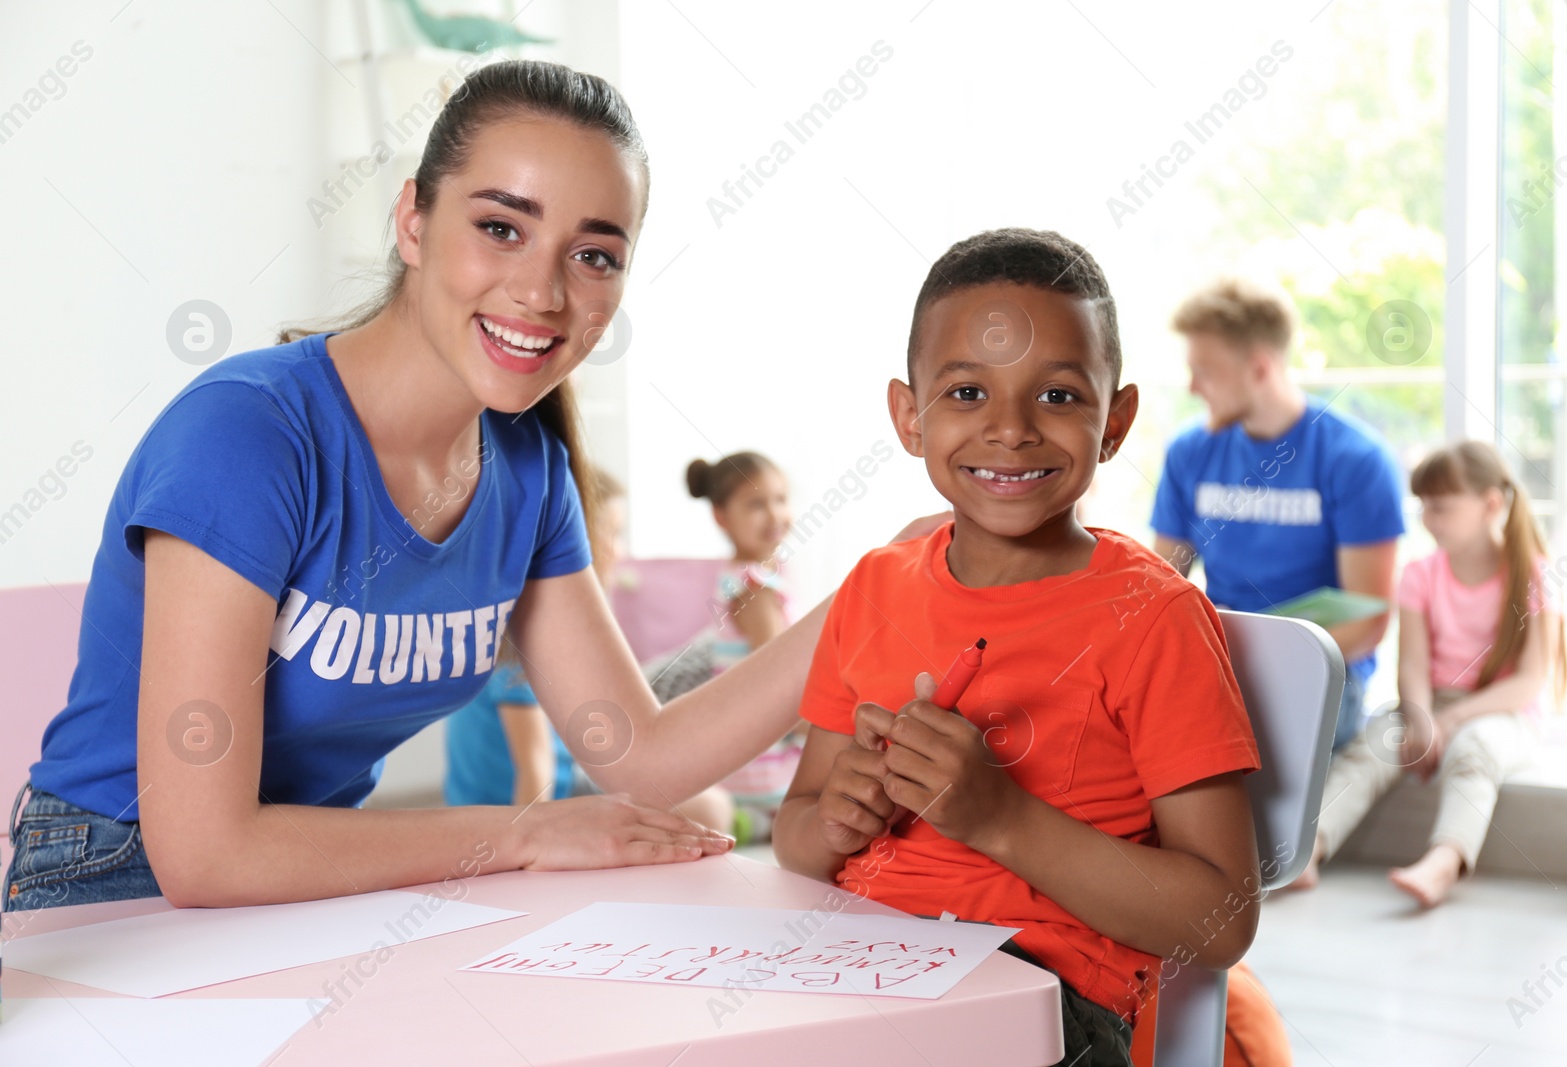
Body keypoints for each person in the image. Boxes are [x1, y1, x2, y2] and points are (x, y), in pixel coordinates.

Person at [3, 59, 937, 913]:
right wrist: (524, 834)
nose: (543, 291)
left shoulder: (527, 469)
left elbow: (640, 754)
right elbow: (204, 857)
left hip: (321, 891)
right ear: (413, 221)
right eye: (500, 228)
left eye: (594, 254)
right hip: (113, 883)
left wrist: (883, 584)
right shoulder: (248, 435)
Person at [773, 229, 1264, 1067]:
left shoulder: (1156, 616)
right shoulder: (874, 586)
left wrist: (999, 817)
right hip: (857, 971)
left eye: (1060, 397)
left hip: (1042, 1004)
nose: (1010, 429)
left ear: (1116, 420)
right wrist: (834, 819)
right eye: (966, 391)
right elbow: (795, 830)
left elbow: (1221, 920)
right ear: (908, 415)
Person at [1293, 442, 1565, 906]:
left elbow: (1528, 681)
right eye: (1422, 507)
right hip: (1431, 702)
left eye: (1440, 508)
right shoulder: (1420, 574)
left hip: (1504, 711)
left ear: (1490, 505)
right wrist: (1421, 718)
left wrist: (1452, 722)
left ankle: (1444, 861)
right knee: (1371, 749)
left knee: (1474, 750)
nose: (1426, 519)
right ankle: (1309, 852)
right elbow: (1413, 665)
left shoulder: (1533, 577)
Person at [1151, 278, 1406, 752]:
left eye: (1204, 371)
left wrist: (1254, 671)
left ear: (1259, 368)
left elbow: (1368, 623)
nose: (1192, 387)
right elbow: (1164, 586)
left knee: (1225, 748)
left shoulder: (1356, 461)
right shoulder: (1188, 453)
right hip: (1220, 663)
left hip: (1322, 674)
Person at [442, 469, 734, 834]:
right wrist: (527, 850)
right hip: (534, 799)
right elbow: (535, 770)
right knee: (711, 808)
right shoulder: (529, 630)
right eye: (610, 533)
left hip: (545, 785)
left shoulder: (512, 612)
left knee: (706, 800)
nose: (619, 550)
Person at [642, 452, 802, 842]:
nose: (774, 514)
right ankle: (763, 817)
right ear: (721, 517)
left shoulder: (738, 578)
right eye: (756, 504)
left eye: (780, 499)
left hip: (739, 757)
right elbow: (783, 678)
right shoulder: (754, 589)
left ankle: (754, 821)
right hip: (762, 761)